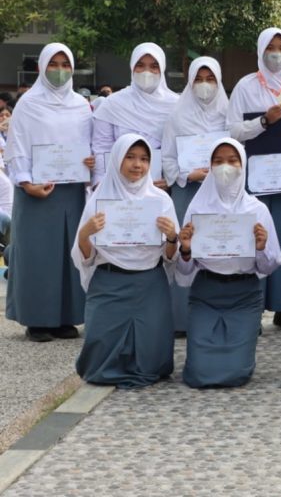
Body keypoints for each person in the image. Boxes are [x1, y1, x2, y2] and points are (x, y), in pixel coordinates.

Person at [175, 138, 281, 388]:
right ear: (209, 166)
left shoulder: (257, 210)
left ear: (243, 165)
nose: (226, 167)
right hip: (206, 292)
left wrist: (259, 248)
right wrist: (185, 250)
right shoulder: (197, 208)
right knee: (198, 374)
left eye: (233, 160)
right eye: (218, 161)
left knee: (237, 373)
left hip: (243, 295)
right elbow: (184, 272)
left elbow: (267, 268)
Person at [72, 135, 179, 387]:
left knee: (154, 362)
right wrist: (85, 233)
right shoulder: (99, 199)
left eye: (144, 159)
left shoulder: (161, 200)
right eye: (130, 157)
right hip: (109, 281)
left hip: (149, 282)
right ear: (117, 160)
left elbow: (169, 256)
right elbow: (86, 257)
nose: (137, 165)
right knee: (98, 363)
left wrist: (172, 236)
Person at [4, 44, 93, 341]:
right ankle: (37, 319)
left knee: (69, 253)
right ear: (41, 67)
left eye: (65, 63)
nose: (59, 69)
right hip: (35, 192)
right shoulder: (28, 104)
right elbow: (16, 148)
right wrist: (27, 182)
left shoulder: (81, 105)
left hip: (70, 191)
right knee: (38, 255)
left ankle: (66, 317)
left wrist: (90, 162)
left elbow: (88, 145)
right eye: (52, 63)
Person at [227, 27, 281, 329]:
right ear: (260, 50)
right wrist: (263, 121)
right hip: (255, 179)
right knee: (255, 237)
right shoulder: (245, 86)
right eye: (270, 47)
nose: (276, 53)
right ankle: (254, 303)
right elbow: (233, 131)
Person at [161, 56, 229, 335]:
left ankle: (222, 316)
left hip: (222, 195)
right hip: (187, 193)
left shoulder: (228, 113)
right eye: (198, 80)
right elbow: (167, 159)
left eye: (210, 79)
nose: (204, 85)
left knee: (220, 247)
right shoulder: (177, 116)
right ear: (190, 83)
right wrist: (188, 175)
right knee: (185, 250)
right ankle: (181, 321)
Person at [91, 43, 179, 188]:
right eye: (140, 65)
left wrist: (171, 178)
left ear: (162, 69)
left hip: (160, 188)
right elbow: (102, 148)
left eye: (154, 66)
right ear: (132, 67)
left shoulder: (177, 106)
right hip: (116, 187)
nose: (146, 72)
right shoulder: (112, 104)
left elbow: (178, 149)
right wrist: (101, 183)